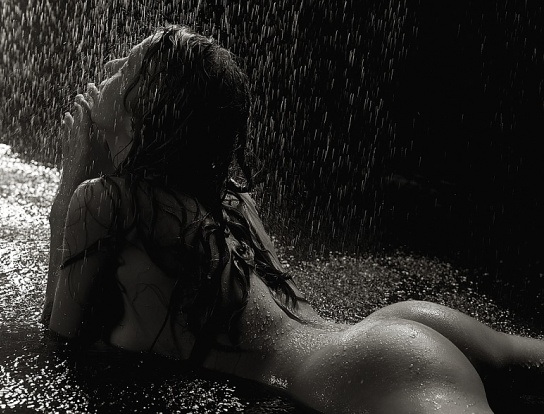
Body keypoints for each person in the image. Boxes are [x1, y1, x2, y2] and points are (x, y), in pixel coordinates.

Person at [42, 25, 544, 414]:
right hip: (384, 335)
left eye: (126, 67)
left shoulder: (105, 200)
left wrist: (72, 181)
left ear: (146, 110)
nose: (108, 66)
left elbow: (61, 335)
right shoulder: (231, 201)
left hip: (363, 366)